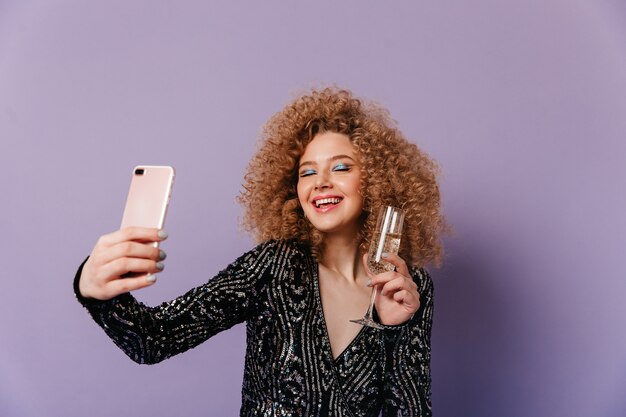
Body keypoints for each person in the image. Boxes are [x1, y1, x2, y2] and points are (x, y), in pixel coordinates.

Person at [74, 87, 446, 417]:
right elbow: (153, 340)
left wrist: (396, 330)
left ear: (376, 179)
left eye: (341, 167)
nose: (321, 183)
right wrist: (90, 286)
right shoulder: (273, 266)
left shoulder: (410, 286)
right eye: (306, 173)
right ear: (292, 190)